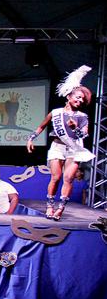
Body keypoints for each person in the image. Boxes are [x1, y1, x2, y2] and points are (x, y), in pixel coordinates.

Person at [27, 65, 94, 220]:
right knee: (55, 178)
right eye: (77, 97)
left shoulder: (82, 116)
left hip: (74, 149)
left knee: (69, 178)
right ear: (68, 97)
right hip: (57, 147)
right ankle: (50, 206)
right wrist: (31, 138)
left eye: (82, 99)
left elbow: (84, 134)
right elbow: (41, 126)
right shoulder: (55, 113)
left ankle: (60, 209)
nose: (80, 100)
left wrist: (75, 128)